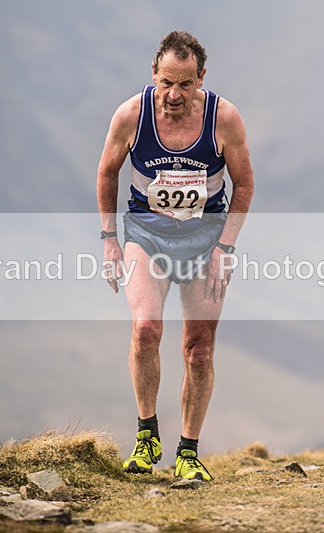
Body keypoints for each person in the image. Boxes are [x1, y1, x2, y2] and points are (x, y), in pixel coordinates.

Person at [96, 30, 254, 481]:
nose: (173, 95)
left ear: (201, 78)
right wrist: (110, 240)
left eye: (185, 85)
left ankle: (188, 452)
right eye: (166, 82)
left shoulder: (224, 118)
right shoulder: (131, 115)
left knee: (199, 350)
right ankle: (147, 438)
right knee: (145, 330)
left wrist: (226, 247)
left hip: (206, 239)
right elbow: (107, 172)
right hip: (147, 235)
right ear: (154, 74)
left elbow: (244, 184)